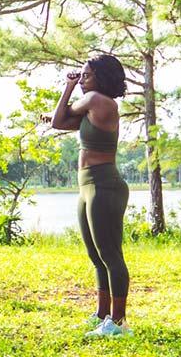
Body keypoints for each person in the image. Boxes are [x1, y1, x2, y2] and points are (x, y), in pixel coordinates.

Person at [45, 54, 132, 337]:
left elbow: (59, 118)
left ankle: (119, 323)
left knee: (110, 255)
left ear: (101, 78)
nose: (82, 78)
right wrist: (63, 103)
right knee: (96, 256)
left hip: (104, 185)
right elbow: (59, 121)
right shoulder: (92, 108)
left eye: (86, 74)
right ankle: (102, 314)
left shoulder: (96, 100)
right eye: (80, 75)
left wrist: (68, 87)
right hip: (88, 186)